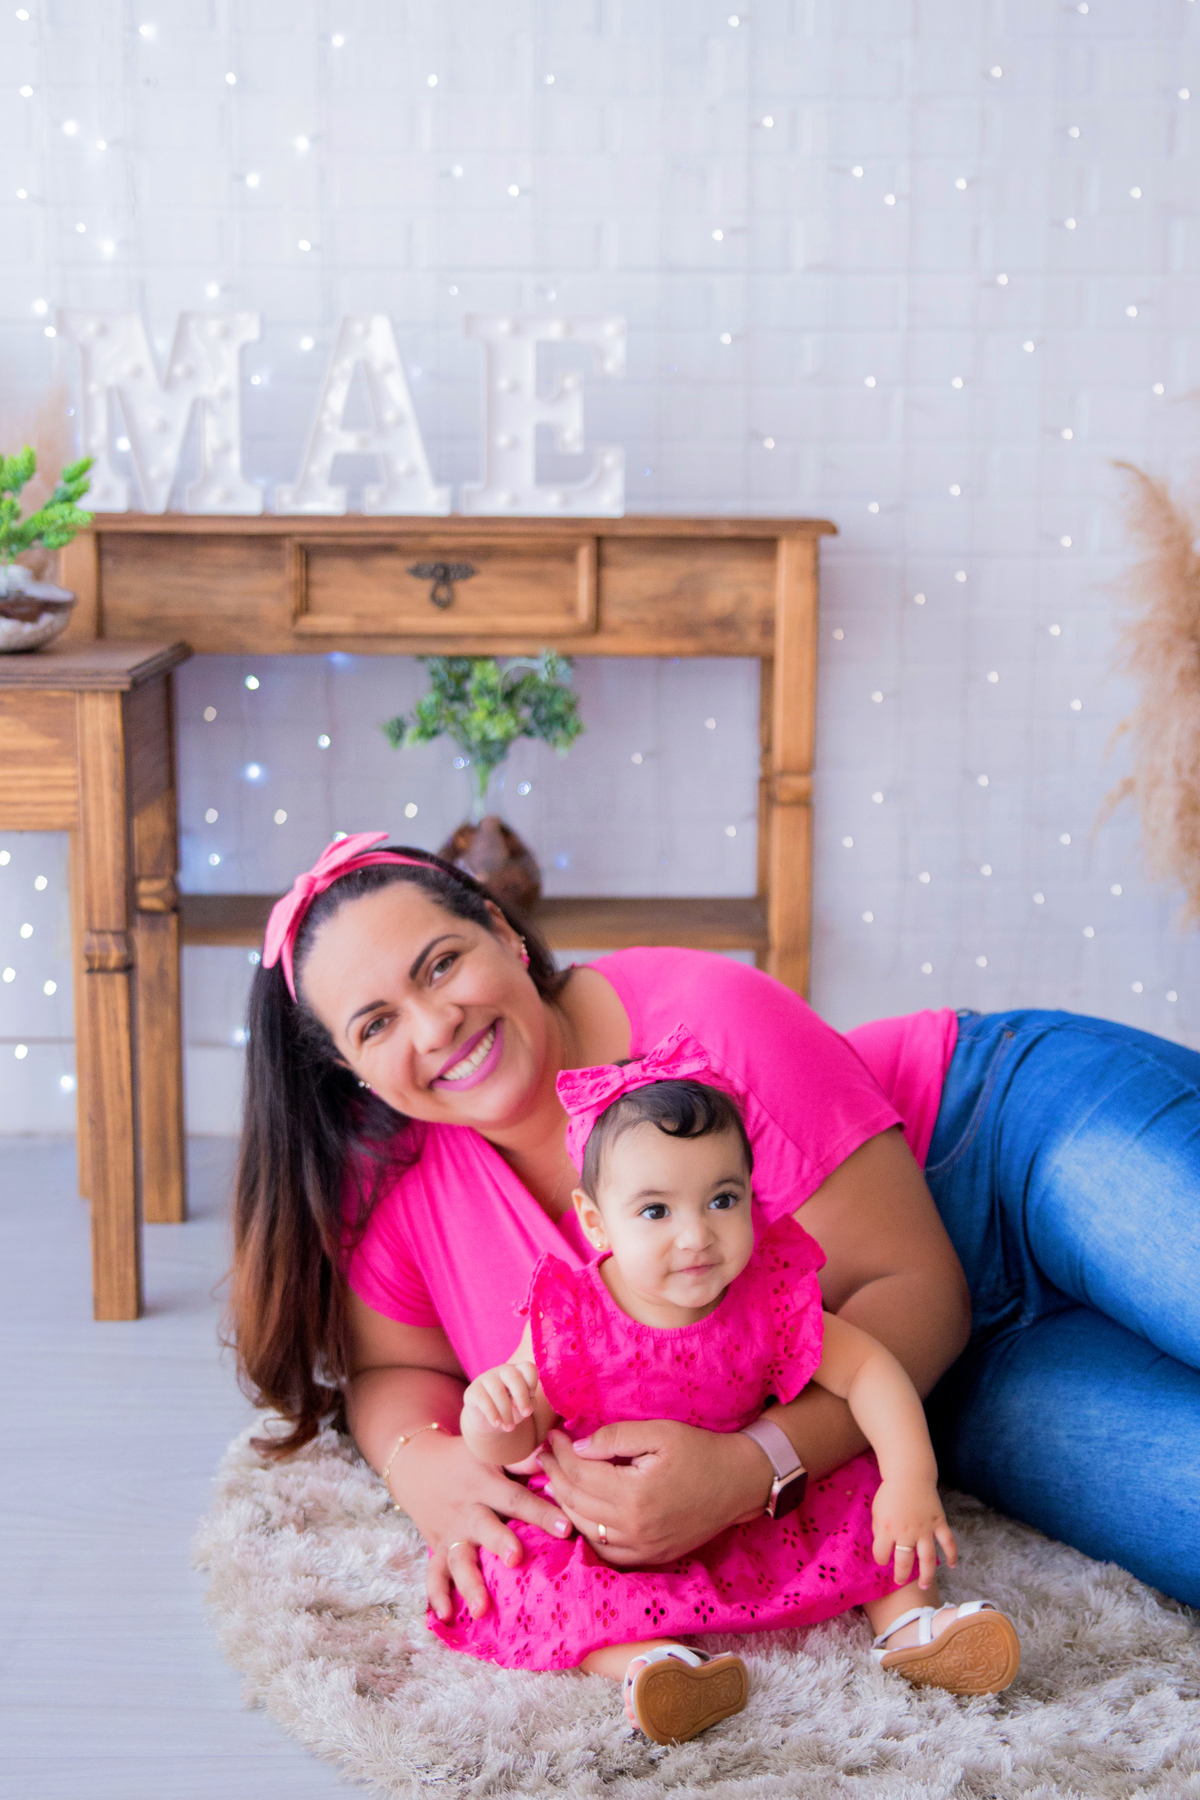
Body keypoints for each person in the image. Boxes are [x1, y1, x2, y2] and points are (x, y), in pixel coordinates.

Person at [230, 832, 1200, 1640]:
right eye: (375, 1023)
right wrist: (422, 1468)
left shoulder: (706, 1025)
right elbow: (394, 1373)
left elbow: (918, 1285)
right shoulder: (399, 1183)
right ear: (351, 1070)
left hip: (1000, 1145)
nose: (436, 1024)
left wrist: (751, 1470)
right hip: (937, 1385)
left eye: (442, 964)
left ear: (502, 929)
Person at [443, 1045, 1019, 1743]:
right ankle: (656, 1665)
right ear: (595, 1223)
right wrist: (493, 1414)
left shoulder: (767, 1299)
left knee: (862, 1489)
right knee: (520, 1566)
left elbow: (869, 1372)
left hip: (751, 1516)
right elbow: (516, 1438)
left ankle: (909, 1625)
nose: (696, 1236)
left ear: (752, 1194)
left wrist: (911, 1478)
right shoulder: (570, 1314)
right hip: (616, 1533)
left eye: (722, 1200)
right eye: (655, 1211)